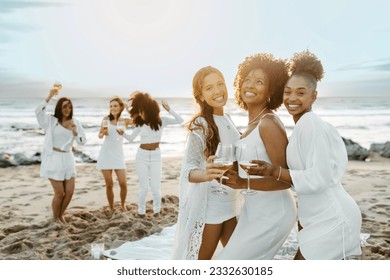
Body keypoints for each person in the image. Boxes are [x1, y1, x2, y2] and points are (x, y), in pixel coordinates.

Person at [243, 50, 362, 260]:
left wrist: (274, 171)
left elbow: (318, 178)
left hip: (333, 218)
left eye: (300, 92)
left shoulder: (311, 124)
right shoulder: (301, 126)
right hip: (317, 217)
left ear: (313, 95)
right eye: (287, 92)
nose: (292, 98)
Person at [217, 53, 297, 259]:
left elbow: (286, 181)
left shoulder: (268, 123)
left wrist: (243, 183)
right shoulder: (252, 124)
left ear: (271, 90)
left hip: (273, 213)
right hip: (253, 211)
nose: (250, 85)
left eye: (259, 82)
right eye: (247, 79)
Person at [172, 66, 241, 260]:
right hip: (212, 207)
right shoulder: (201, 124)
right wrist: (206, 173)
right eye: (209, 88)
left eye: (220, 84)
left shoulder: (228, 119)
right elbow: (189, 171)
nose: (217, 91)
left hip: (231, 204)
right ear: (200, 96)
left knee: (238, 259)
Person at [122, 91, 184, 217]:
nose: (140, 114)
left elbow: (180, 120)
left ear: (149, 111)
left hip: (156, 156)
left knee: (156, 188)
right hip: (141, 156)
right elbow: (130, 139)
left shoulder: (162, 121)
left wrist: (169, 109)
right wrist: (121, 132)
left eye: (142, 111)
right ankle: (141, 212)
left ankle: (157, 211)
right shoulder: (140, 123)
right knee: (143, 187)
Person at [35, 87, 86, 224]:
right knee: (59, 193)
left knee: (69, 192)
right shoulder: (51, 121)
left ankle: (61, 215)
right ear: (59, 108)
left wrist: (75, 132)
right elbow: (38, 112)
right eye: (64, 107)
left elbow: (82, 142)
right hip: (53, 158)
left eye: (69, 107)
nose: (67, 109)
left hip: (68, 158)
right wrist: (49, 96)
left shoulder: (75, 122)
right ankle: (56, 217)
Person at [96, 96, 129, 212]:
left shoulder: (124, 121)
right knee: (109, 184)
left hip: (118, 155)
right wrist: (103, 133)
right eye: (111, 106)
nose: (112, 108)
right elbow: (100, 135)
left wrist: (128, 107)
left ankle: (123, 205)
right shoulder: (106, 119)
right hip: (106, 154)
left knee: (123, 183)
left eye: (115, 106)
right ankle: (111, 207)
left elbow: (137, 119)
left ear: (120, 107)